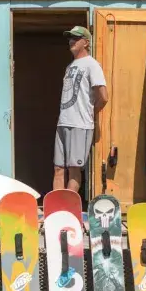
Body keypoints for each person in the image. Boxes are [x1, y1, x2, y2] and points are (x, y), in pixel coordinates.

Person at [54, 25, 108, 193]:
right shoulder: (70, 66)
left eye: (76, 38)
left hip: (80, 124)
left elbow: (103, 96)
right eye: (70, 38)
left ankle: (67, 209)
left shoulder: (92, 65)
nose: (71, 41)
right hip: (63, 122)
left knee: (74, 170)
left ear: (86, 42)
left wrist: (91, 112)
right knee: (58, 168)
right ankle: (56, 210)